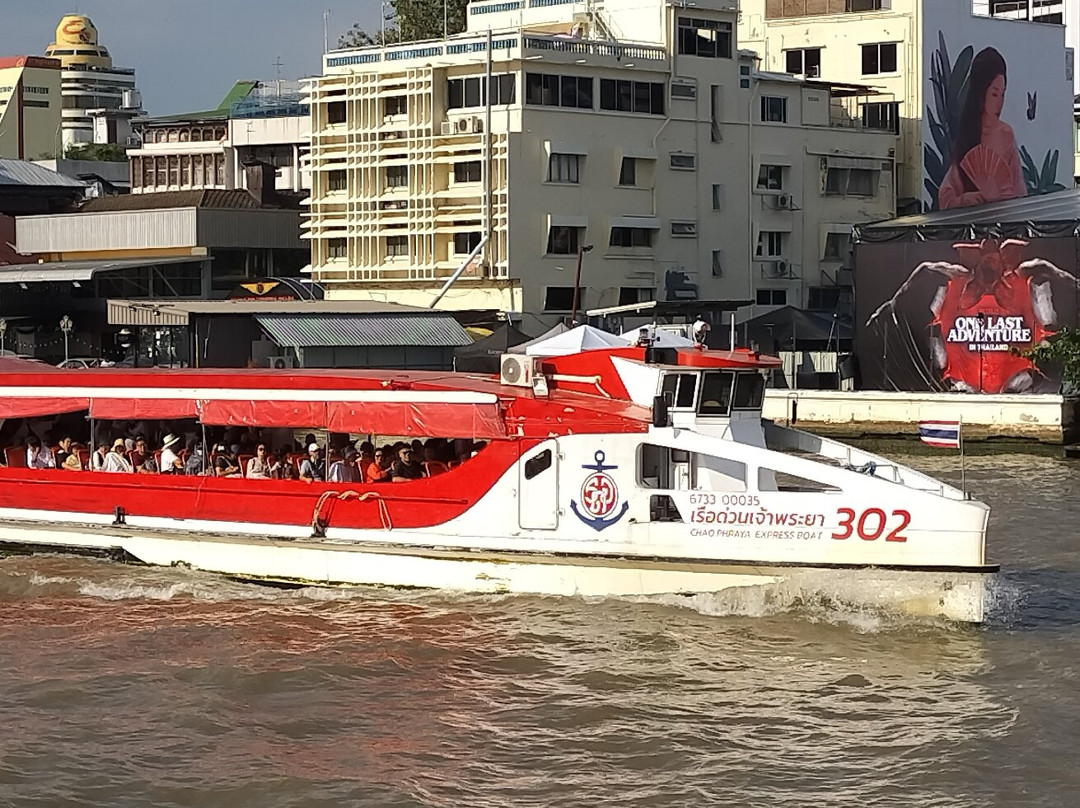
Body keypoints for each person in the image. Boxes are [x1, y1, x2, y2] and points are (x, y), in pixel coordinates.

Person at [938, 47, 1026, 210]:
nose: (999, 103)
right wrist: (966, 199)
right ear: (980, 93)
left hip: (1002, 225)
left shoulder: (1006, 134)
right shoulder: (967, 133)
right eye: (994, 94)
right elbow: (946, 196)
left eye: (1002, 95)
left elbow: (1019, 190)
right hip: (971, 227)